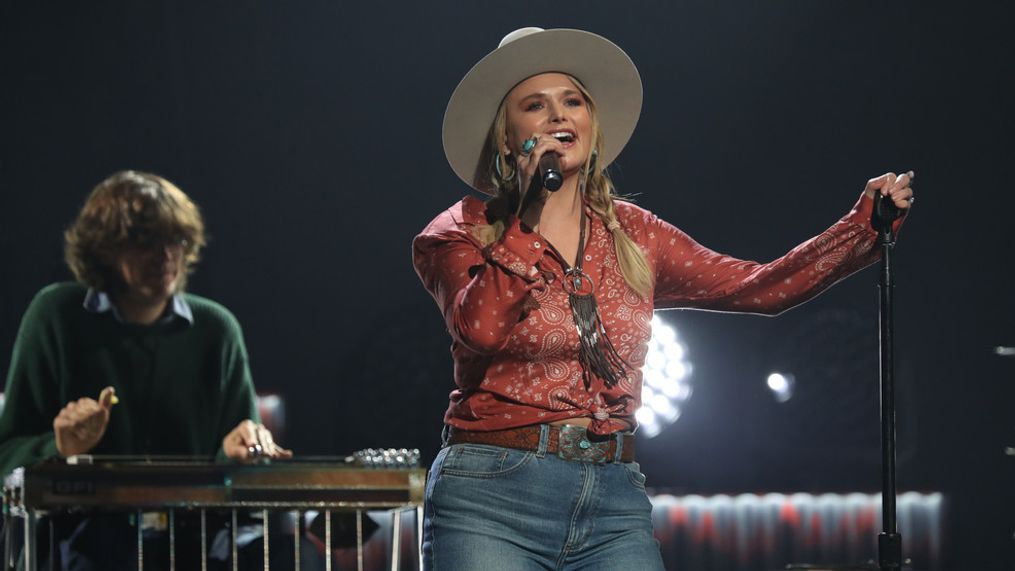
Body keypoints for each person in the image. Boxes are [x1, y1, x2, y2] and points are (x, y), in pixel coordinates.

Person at [412, 27, 913, 570]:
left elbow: (759, 288)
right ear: (508, 139)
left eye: (572, 101)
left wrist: (861, 228)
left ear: (591, 125)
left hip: (612, 497)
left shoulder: (634, 233)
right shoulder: (461, 231)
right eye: (536, 106)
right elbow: (482, 328)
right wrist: (529, 216)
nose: (559, 116)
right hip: (492, 493)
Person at [0, 170, 291, 569]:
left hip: (194, 537)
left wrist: (235, 449)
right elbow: (6, 456)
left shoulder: (216, 328)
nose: (165, 255)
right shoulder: (57, 315)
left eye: (175, 240)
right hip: (85, 537)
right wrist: (60, 448)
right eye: (144, 242)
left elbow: (239, 471)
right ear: (103, 249)